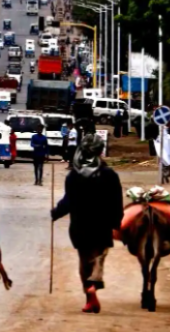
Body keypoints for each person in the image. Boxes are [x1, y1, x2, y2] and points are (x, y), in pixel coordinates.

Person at [51, 134, 124, 313]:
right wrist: (117, 224)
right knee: (99, 255)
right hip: (102, 225)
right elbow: (116, 202)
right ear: (101, 151)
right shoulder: (109, 175)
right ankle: (95, 282)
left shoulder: (74, 176)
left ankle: (89, 296)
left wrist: (56, 213)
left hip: (79, 227)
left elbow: (68, 201)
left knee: (84, 261)